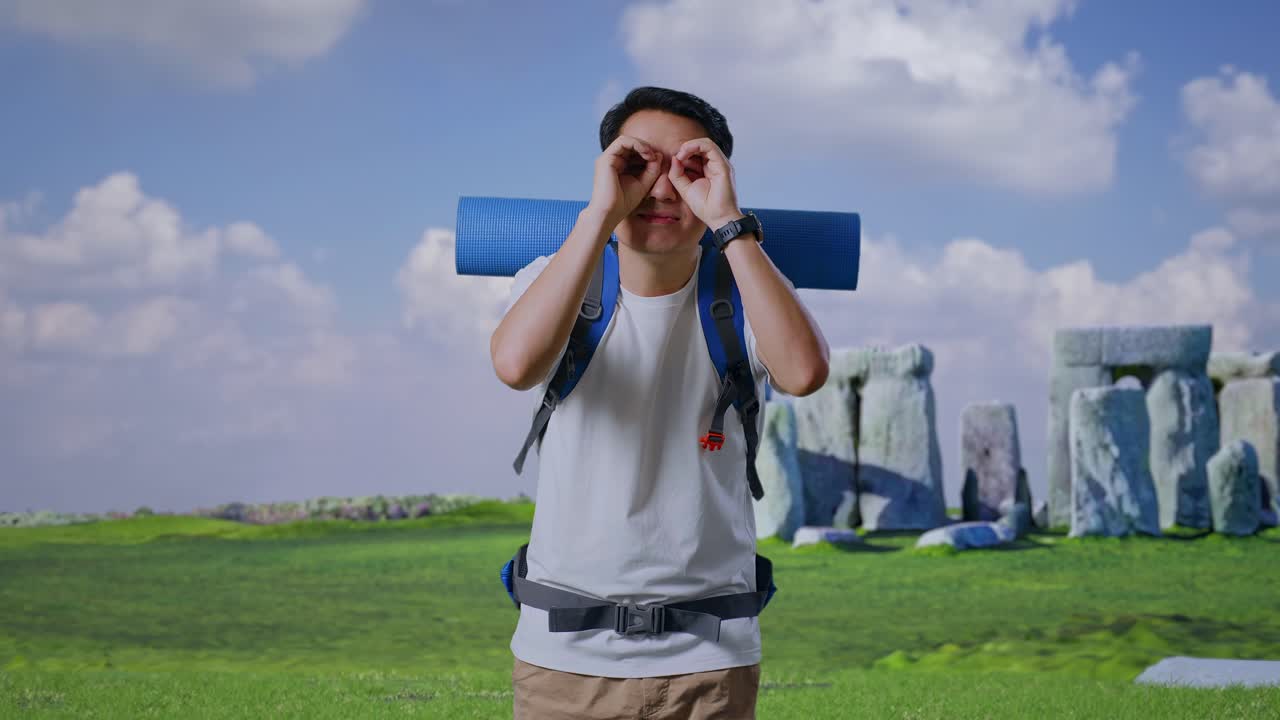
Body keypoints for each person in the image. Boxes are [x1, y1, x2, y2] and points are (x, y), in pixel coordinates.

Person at [491, 86, 829, 719]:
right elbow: (515, 366)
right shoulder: (554, 277)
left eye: (688, 167)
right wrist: (600, 213)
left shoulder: (748, 284)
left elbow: (804, 372)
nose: (664, 189)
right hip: (565, 657)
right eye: (640, 165)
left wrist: (729, 222)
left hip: (710, 658)